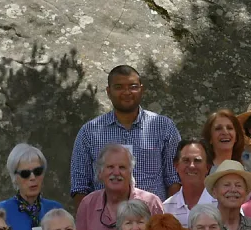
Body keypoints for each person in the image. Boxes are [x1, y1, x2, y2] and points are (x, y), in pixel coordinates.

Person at [70, 65, 181, 203]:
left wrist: (168, 219)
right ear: (108, 92)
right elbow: (80, 186)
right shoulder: (89, 132)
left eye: (133, 86)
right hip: (105, 220)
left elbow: (174, 179)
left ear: (142, 89)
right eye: (119, 87)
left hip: (153, 218)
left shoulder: (164, 127)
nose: (127, 92)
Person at [75, 143, 164, 230]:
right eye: (110, 167)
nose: (116, 173)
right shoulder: (88, 204)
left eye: (122, 167)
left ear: (130, 172)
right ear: (100, 173)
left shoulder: (151, 204)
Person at [0, 142, 64, 230]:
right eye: (25, 174)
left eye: (38, 171)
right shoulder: (2, 212)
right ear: (14, 177)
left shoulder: (55, 209)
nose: (33, 178)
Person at [206, 160, 251, 230]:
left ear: (246, 193)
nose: (233, 190)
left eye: (238, 185)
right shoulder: (205, 228)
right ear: (214, 192)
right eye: (226, 185)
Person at [162, 139, 216, 224]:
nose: (191, 166)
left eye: (197, 160)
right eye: (186, 160)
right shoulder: (166, 209)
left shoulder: (220, 204)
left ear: (207, 167)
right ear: (176, 166)